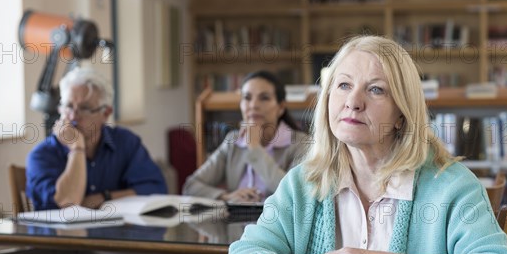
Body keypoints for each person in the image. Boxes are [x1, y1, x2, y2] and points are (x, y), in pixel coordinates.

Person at [229, 36, 507, 254]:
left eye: (376, 89)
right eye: (343, 85)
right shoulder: (303, 183)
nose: (353, 102)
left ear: (402, 116)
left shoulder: (451, 185)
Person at [27, 66, 167, 210]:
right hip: (60, 233)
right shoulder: (42, 155)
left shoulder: (125, 142)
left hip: (115, 232)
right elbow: (68, 203)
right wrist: (77, 148)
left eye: (85, 108)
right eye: (68, 106)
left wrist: (104, 197)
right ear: (59, 110)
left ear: (106, 113)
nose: (74, 116)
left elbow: (156, 188)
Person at [183, 70, 309, 203]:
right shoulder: (233, 141)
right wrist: (226, 196)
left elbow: (294, 196)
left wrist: (255, 148)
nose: (253, 105)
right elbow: (191, 186)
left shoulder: (301, 144)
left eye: (264, 98)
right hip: (237, 221)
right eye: (247, 98)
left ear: (281, 107)